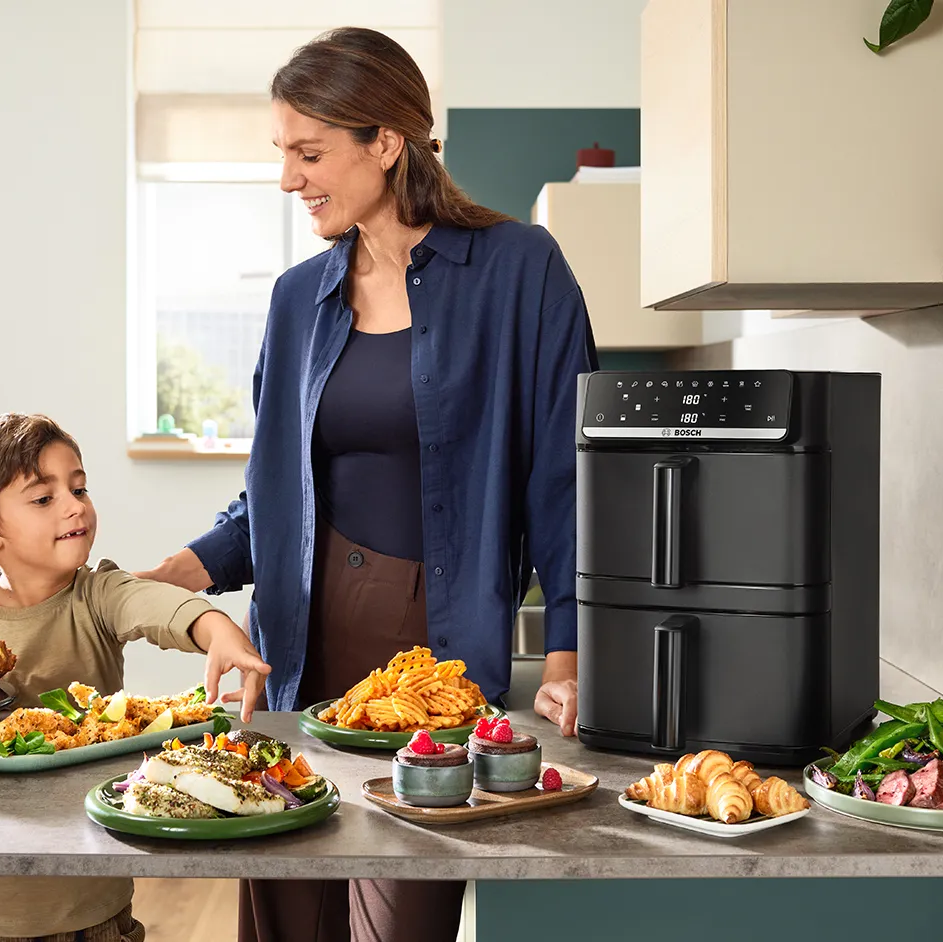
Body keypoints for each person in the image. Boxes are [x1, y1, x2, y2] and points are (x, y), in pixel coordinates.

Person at [133, 27, 597, 942]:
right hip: (298, 639)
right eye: (283, 154)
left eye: (309, 154)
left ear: (386, 142)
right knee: (286, 908)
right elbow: (271, 499)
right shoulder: (296, 297)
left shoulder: (519, 270)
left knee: (399, 917)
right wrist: (170, 576)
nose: (288, 180)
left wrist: (572, 655)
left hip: (437, 650)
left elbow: (565, 482)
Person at [0, 413, 272, 942]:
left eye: (79, 488)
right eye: (43, 498)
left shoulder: (99, 593)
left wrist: (217, 629)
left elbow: (159, 605)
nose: (74, 505)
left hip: (91, 905)